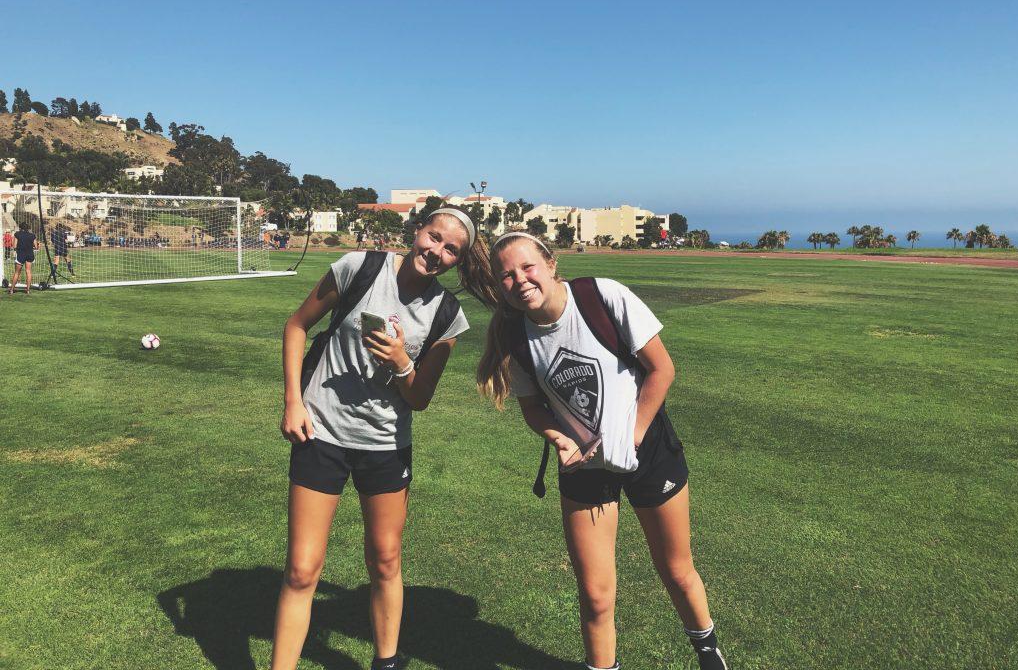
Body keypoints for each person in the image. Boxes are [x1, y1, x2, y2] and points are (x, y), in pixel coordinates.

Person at [477, 232, 728, 670]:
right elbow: (533, 408)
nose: (520, 280)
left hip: (648, 449)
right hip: (584, 466)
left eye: (527, 267)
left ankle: (707, 651)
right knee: (595, 594)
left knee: (676, 570)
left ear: (551, 264)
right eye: (507, 276)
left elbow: (662, 369)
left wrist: (631, 435)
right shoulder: (516, 335)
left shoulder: (601, 297)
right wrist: (560, 439)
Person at [272, 208, 497, 670]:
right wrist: (294, 401)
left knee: (386, 561)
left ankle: (386, 662)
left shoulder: (446, 316)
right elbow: (296, 327)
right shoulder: (360, 267)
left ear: (457, 260)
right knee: (301, 570)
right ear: (418, 231)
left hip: (386, 447)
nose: (435, 252)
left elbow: (419, 399)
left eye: (450, 249)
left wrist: (401, 360)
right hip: (321, 433)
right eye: (433, 238)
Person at [8, 222, 40, 296]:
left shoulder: (17, 234)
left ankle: (12, 290)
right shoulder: (32, 235)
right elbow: (36, 246)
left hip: (21, 254)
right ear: (28, 228)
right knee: (28, 271)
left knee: (17, 272)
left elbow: (14, 246)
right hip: (30, 254)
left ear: (20, 228)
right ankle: (28, 290)